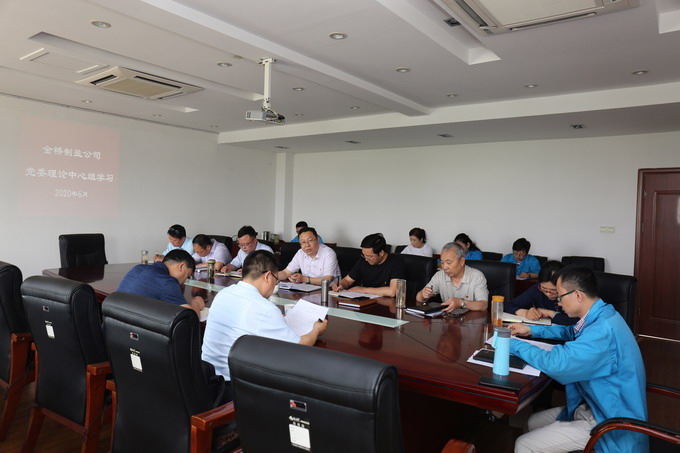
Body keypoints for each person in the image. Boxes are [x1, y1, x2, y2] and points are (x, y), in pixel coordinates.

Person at [509, 266, 647, 453]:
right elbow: (571, 332)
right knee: (532, 422)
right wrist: (532, 330)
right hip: (595, 405)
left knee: (524, 444)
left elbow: (556, 364)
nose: (558, 303)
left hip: (611, 423)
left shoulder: (601, 332)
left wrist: (511, 343)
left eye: (560, 297)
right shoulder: (603, 314)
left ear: (578, 295)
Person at [201, 250, 328, 381]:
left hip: (206, 376)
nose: (274, 286)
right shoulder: (264, 309)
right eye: (276, 281)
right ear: (268, 276)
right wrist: (317, 330)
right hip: (231, 383)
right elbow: (298, 347)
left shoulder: (223, 293)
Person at [117, 249, 205, 315]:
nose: (185, 281)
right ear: (181, 266)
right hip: (139, 332)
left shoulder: (137, 268)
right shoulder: (167, 281)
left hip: (115, 327)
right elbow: (190, 317)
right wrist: (195, 304)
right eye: (188, 275)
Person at [416, 242, 488, 312]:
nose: (444, 267)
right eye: (442, 262)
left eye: (448, 262)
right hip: (448, 318)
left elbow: (484, 305)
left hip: (471, 319)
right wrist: (423, 294)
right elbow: (419, 298)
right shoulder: (439, 275)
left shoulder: (477, 276)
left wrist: (461, 302)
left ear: (461, 261)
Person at [505, 260, 579, 326]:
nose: (548, 294)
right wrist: (526, 313)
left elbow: (577, 321)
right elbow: (508, 305)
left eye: (553, 290)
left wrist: (550, 313)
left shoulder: (572, 295)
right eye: (544, 289)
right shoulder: (537, 289)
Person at [331, 233, 405, 297]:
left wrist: (363, 290)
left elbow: (392, 292)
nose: (366, 259)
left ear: (381, 253)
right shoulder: (363, 260)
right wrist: (341, 284)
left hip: (387, 304)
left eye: (370, 256)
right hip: (367, 301)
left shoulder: (396, 263)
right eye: (364, 255)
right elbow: (347, 280)